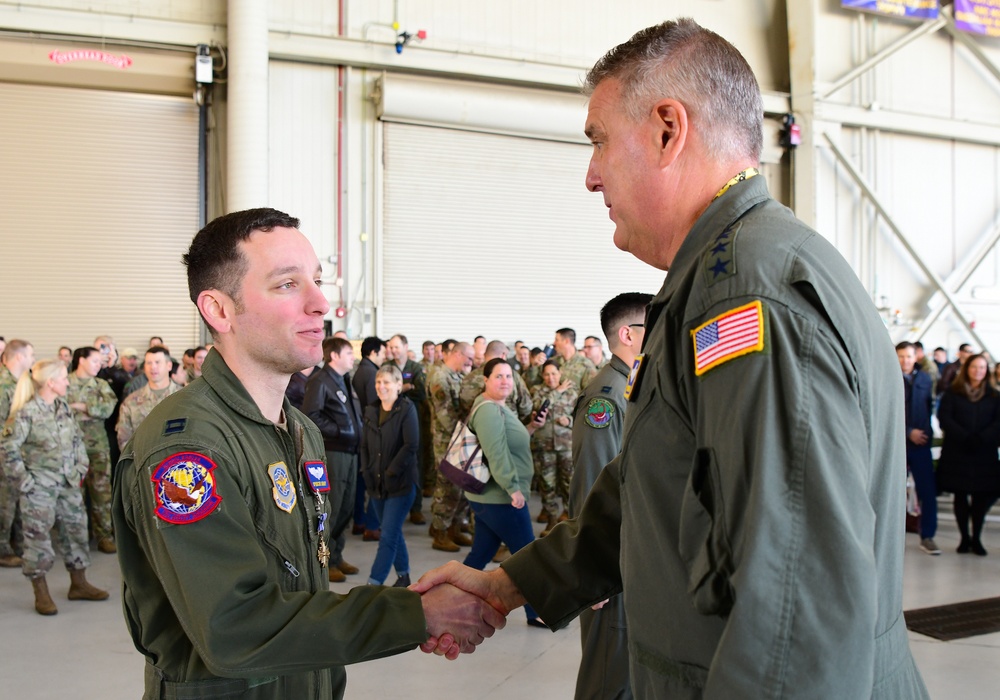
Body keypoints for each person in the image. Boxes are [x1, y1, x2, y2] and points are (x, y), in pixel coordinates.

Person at [414, 19, 929, 697]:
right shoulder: (719, 280)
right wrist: (513, 583)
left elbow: (795, 614)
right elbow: (654, 492)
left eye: (599, 141)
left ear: (667, 129)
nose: (590, 176)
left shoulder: (745, 297)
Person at [111, 208, 503, 699]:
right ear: (219, 310)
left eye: (316, 280)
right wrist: (415, 614)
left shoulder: (297, 431)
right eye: (287, 284)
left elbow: (300, 592)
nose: (321, 302)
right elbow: (235, 629)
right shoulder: (188, 450)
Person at [569, 292, 650, 700]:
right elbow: (591, 482)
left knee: (625, 674)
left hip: (629, 554)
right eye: (651, 327)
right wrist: (593, 567)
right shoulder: (607, 395)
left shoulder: (631, 387)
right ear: (628, 334)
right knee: (607, 677)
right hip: (609, 560)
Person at [1, 359, 108, 615]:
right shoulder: (26, 413)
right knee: (37, 539)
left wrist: (81, 466)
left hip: (69, 483)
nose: (67, 382)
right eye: (63, 378)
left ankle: (79, 584)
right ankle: (41, 592)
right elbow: (7, 450)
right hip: (39, 488)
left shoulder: (62, 407)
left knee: (76, 532)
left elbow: (76, 440)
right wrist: (25, 483)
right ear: (50, 382)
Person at [463, 358, 546, 628]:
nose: (505, 381)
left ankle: (452, 598)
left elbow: (511, 443)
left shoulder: (500, 407)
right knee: (527, 557)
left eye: (509, 376)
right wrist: (513, 488)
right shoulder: (488, 410)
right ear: (485, 380)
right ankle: (537, 611)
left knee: (480, 555)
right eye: (498, 376)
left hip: (491, 499)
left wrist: (532, 427)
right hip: (500, 498)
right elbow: (496, 453)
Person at [302, 336, 363, 583]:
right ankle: (324, 562)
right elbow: (310, 415)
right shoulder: (320, 380)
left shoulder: (343, 380)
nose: (353, 357)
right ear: (335, 356)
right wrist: (339, 431)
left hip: (351, 451)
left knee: (346, 507)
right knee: (333, 507)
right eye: (349, 353)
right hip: (334, 451)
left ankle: (336, 556)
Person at [360, 363, 419, 586]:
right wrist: (366, 471)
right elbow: (364, 446)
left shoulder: (407, 410)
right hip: (375, 485)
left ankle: (372, 586)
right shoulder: (371, 411)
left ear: (398, 385)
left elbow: (410, 445)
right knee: (391, 531)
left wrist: (391, 471)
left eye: (386, 382)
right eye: (378, 382)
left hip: (400, 485)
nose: (381, 386)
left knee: (387, 537)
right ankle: (403, 576)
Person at [936, 353, 1000, 556]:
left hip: (984, 451)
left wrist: (982, 438)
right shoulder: (953, 393)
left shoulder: (994, 396)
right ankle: (964, 537)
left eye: (982, 368)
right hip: (958, 450)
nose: (978, 371)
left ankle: (977, 538)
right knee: (960, 495)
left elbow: (998, 422)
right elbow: (944, 418)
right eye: (974, 367)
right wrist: (964, 436)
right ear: (967, 369)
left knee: (981, 497)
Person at [67, 346, 118, 554]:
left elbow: (107, 409)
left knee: (101, 492)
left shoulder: (102, 384)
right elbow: (59, 409)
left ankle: (104, 535)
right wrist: (92, 408)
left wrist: (81, 407)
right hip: (70, 447)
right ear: (82, 360)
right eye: (95, 360)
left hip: (97, 446)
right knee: (73, 493)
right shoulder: (65, 381)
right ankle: (76, 537)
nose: (100, 365)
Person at [427, 340, 475, 552]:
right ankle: (440, 532)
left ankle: (455, 528)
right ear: (458, 354)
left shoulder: (457, 376)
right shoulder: (440, 377)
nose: (471, 363)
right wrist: (466, 432)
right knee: (447, 488)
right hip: (448, 440)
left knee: (461, 488)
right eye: (469, 358)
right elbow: (445, 414)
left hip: (460, 439)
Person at [897, 342, 939, 555]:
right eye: (901, 356)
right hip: (898, 444)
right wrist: (908, 431)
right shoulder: (889, 377)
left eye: (909, 356)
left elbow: (928, 408)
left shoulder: (924, 378)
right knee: (894, 492)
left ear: (916, 357)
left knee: (927, 492)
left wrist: (925, 434)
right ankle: (893, 538)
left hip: (921, 445)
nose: (905, 360)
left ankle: (928, 536)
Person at [529, 360, 578, 532]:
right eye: (547, 374)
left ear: (560, 373)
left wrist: (569, 420)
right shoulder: (537, 391)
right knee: (546, 485)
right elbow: (538, 407)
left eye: (554, 374)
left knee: (569, 484)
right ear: (542, 375)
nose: (551, 378)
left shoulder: (572, 392)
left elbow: (581, 415)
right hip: (544, 446)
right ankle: (551, 520)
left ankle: (569, 520)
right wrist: (557, 392)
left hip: (566, 446)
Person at [387, 334, 429, 525]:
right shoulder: (387, 367)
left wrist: (399, 388)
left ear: (405, 346)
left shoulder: (416, 367)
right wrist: (405, 387)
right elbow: (383, 391)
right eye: (392, 347)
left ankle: (416, 508)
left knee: (416, 461)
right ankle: (394, 507)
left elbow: (421, 392)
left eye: (397, 347)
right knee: (393, 459)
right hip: (392, 420)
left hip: (414, 419)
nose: (394, 350)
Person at [0, 339, 35, 567]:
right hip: (5, 454)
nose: (33, 359)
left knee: (15, 501)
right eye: (31, 355)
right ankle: (2, 549)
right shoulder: (4, 386)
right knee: (5, 503)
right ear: (20, 357)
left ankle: (17, 544)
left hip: (17, 453)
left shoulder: (20, 383)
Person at [116, 346, 183, 450]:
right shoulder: (131, 401)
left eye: (157, 362)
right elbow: (124, 440)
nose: (153, 367)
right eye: (149, 363)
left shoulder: (185, 398)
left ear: (169, 365)